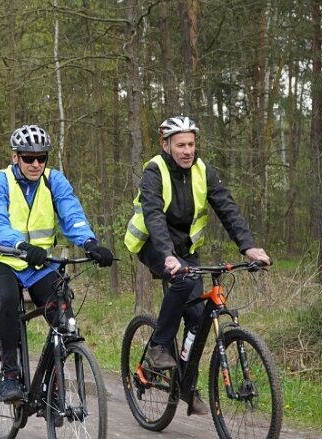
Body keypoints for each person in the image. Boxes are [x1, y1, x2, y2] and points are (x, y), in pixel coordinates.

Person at [124, 115, 271, 415]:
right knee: (181, 281)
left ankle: (186, 385)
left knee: (197, 315)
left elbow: (227, 207)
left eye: (191, 144)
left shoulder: (204, 170)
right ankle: (158, 346)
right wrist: (166, 254)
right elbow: (153, 216)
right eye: (180, 145)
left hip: (187, 250)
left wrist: (248, 247)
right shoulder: (154, 171)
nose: (187, 150)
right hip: (153, 244)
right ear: (166, 145)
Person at [0, 124, 114, 402]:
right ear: (15, 157)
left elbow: (71, 211)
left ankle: (53, 381)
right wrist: (21, 245)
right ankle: (10, 377)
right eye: (29, 158)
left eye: (42, 158)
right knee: (8, 301)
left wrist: (90, 242)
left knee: (62, 312)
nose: (36, 163)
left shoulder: (54, 181)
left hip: (37, 263)